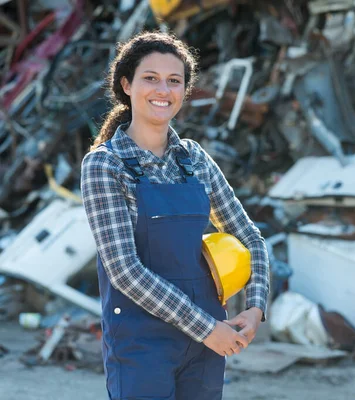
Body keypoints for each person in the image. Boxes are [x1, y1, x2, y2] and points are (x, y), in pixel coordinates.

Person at [80, 31, 269, 400]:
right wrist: (206, 328)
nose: (163, 90)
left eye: (174, 80)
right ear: (126, 84)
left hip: (206, 343)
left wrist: (256, 306)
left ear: (185, 90)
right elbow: (125, 271)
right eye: (150, 78)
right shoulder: (105, 165)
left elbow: (249, 237)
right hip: (142, 344)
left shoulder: (194, 159)